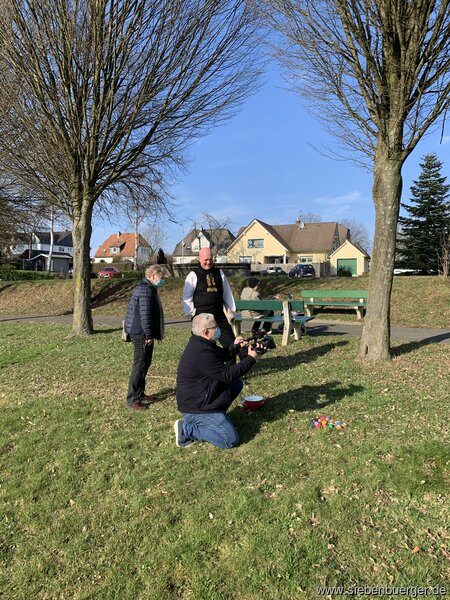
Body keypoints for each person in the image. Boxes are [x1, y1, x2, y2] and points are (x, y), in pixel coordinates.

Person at [174, 312, 259, 449]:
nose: (218, 329)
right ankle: (187, 429)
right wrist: (251, 359)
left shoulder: (201, 342)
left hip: (202, 396)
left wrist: (235, 347)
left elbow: (219, 355)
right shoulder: (201, 352)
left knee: (236, 384)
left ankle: (215, 419)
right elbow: (227, 375)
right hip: (197, 407)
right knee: (230, 439)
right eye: (215, 327)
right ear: (206, 332)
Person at [124, 265, 166, 410]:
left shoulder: (149, 288)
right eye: (162, 277)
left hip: (143, 332)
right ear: (153, 276)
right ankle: (133, 398)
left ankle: (140, 393)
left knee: (145, 364)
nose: (163, 280)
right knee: (140, 364)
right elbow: (144, 315)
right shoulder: (145, 290)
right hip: (140, 333)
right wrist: (148, 335)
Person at [183, 247, 236, 353]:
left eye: (210, 260)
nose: (208, 262)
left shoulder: (219, 273)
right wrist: (191, 313)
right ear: (199, 259)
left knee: (230, 343)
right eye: (205, 260)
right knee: (199, 347)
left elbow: (227, 292)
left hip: (219, 315)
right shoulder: (193, 275)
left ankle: (231, 367)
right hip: (201, 317)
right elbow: (187, 296)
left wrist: (231, 310)